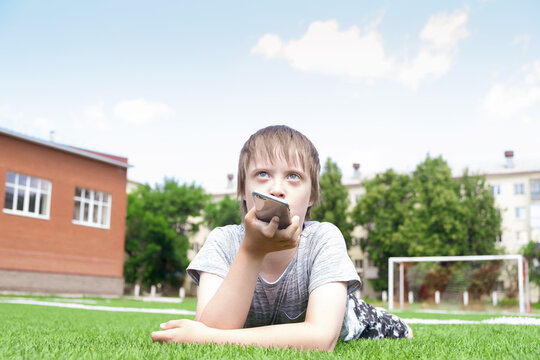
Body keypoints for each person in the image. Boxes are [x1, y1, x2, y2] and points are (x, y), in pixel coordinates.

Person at [151, 125, 412, 351]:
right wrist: (252, 251)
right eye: (262, 174)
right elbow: (211, 326)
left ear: (311, 196)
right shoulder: (221, 242)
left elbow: (321, 340)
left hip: (351, 316)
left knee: (401, 332)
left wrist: (210, 339)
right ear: (243, 189)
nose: (276, 189)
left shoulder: (324, 238)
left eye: (293, 176)